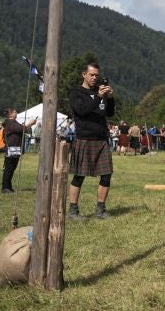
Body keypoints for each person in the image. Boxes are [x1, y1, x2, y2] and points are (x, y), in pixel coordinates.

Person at [67, 62, 116, 221]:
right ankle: (73, 211)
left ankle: (100, 210)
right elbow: (82, 111)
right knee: (79, 176)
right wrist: (98, 97)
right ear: (84, 74)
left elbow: (109, 113)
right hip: (84, 138)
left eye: (96, 75)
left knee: (106, 175)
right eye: (91, 75)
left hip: (101, 139)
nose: (94, 78)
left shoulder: (99, 91)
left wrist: (110, 98)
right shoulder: (76, 92)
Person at [0, 107, 36, 193]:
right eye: (15, 112)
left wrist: (30, 125)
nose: (16, 113)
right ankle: (5, 187)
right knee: (9, 168)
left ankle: (8, 186)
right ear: (11, 114)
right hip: (11, 148)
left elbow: (23, 129)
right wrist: (29, 123)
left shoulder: (14, 122)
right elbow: (21, 129)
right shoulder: (10, 122)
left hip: (15, 148)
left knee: (12, 168)